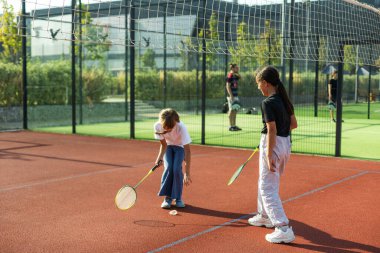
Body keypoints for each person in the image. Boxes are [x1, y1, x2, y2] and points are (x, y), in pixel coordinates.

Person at [248, 66, 298, 244]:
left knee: (267, 188)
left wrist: (269, 153)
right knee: (267, 182)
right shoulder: (284, 100)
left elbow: (272, 129)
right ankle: (264, 216)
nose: (258, 88)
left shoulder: (268, 103)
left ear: (265, 83)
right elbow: (293, 124)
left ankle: (282, 227)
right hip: (285, 145)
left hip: (275, 145)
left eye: (258, 84)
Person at [154, 108, 192, 209]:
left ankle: (178, 198)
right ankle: (168, 198)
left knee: (176, 169)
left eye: (171, 128)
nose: (168, 131)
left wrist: (187, 173)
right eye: (166, 129)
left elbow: (187, 151)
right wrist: (159, 158)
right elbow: (163, 144)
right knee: (169, 168)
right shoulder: (157, 126)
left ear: (175, 122)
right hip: (168, 147)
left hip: (180, 147)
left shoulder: (181, 127)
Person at [226, 63, 242, 131]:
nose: (237, 68)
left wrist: (237, 72)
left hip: (236, 95)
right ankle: (230, 126)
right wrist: (231, 95)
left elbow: (241, 77)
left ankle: (234, 125)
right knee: (231, 110)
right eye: (236, 67)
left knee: (235, 110)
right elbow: (227, 86)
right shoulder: (230, 75)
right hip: (231, 96)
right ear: (232, 68)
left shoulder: (235, 75)